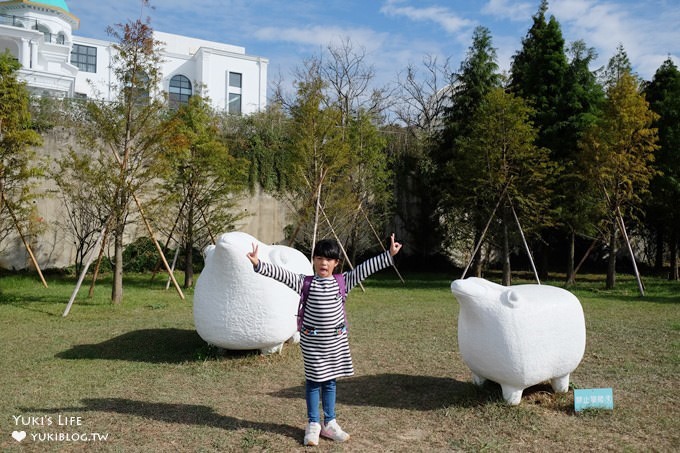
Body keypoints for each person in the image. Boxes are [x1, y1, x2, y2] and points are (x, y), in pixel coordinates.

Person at [246, 234, 402, 446]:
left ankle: (330, 423)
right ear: (314, 260)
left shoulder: (343, 282)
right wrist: (258, 264)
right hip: (312, 343)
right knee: (313, 382)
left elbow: (365, 268)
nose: (323, 263)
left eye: (328, 259)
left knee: (330, 381)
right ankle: (313, 424)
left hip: (335, 343)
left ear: (336, 263)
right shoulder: (305, 283)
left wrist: (388, 254)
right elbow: (281, 274)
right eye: (319, 258)